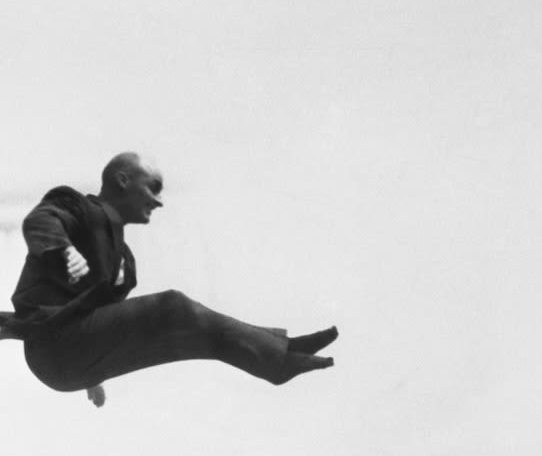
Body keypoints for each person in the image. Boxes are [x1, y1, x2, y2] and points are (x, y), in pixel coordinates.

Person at [0, 152, 337, 407]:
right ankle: (276, 357)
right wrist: (64, 249)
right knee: (173, 308)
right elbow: (42, 220)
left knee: (181, 331)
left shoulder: (123, 262)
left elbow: (102, 321)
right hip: (52, 349)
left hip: (75, 363)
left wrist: (92, 376)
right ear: (122, 180)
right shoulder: (77, 207)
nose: (158, 201)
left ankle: (281, 351)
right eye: (152, 188)